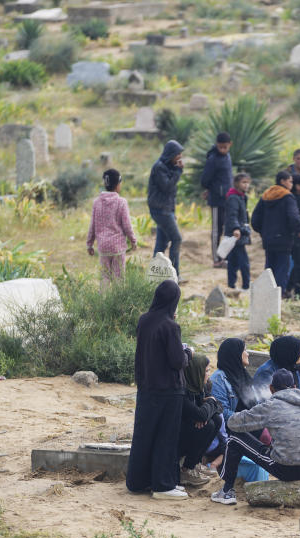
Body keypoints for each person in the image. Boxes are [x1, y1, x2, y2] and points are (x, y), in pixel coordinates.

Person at [211, 369, 300, 505]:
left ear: (271, 388)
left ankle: (227, 491)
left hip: (286, 469)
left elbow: (234, 423)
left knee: (235, 438)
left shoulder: (271, 405)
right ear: (294, 386)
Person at [126, 280, 190, 499]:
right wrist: (187, 354)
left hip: (146, 387)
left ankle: (137, 481)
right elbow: (176, 361)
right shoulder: (170, 326)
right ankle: (163, 486)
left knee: (144, 435)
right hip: (168, 390)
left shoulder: (144, 320)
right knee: (166, 437)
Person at [251, 171, 300, 292]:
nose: (291, 184)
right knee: (282, 268)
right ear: (282, 181)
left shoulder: (265, 196)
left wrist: (263, 232)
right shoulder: (287, 197)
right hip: (284, 239)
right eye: (290, 181)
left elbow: (255, 219)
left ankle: (267, 293)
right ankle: (279, 295)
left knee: (269, 267)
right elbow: (293, 218)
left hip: (268, 239)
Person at [177, 353, 223, 488]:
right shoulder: (183, 392)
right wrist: (208, 407)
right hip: (177, 438)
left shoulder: (202, 387)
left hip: (189, 432)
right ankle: (186, 470)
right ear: (196, 372)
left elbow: (219, 406)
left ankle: (195, 463)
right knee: (208, 425)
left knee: (216, 420)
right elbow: (202, 415)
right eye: (206, 370)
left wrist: (210, 404)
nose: (209, 374)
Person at [87, 169, 137, 284]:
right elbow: (127, 226)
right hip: (117, 247)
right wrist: (133, 241)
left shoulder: (97, 202)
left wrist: (89, 244)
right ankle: (117, 301)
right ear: (118, 184)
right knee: (119, 278)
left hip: (103, 247)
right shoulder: (121, 202)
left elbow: (92, 226)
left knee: (105, 276)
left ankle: (103, 300)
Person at [147, 140, 184, 276]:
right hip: (160, 209)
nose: (179, 157)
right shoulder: (159, 167)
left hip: (165, 209)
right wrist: (178, 171)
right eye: (177, 154)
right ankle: (175, 274)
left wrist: (173, 211)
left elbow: (171, 194)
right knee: (176, 239)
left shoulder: (168, 166)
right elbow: (167, 187)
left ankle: (155, 273)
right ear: (171, 154)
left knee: (162, 244)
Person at [209, 338, 261, 425]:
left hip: (250, 423)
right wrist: (250, 419)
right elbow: (222, 413)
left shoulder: (243, 374)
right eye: (244, 350)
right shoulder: (218, 379)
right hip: (234, 427)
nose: (247, 354)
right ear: (235, 353)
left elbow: (256, 403)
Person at [201, 132, 233, 268]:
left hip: (227, 199)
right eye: (220, 147)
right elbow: (204, 180)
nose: (223, 150)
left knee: (227, 229)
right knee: (216, 230)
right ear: (216, 145)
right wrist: (211, 189)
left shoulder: (228, 157)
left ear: (230, 145)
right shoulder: (213, 159)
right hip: (216, 200)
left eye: (225, 147)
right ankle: (216, 259)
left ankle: (223, 256)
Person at [224, 172, 252, 290]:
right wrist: (236, 228)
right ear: (236, 183)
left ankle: (231, 285)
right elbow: (232, 215)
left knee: (233, 261)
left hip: (240, 231)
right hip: (236, 234)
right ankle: (246, 286)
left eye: (247, 183)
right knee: (243, 262)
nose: (246, 185)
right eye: (243, 182)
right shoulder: (233, 198)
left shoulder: (242, 197)